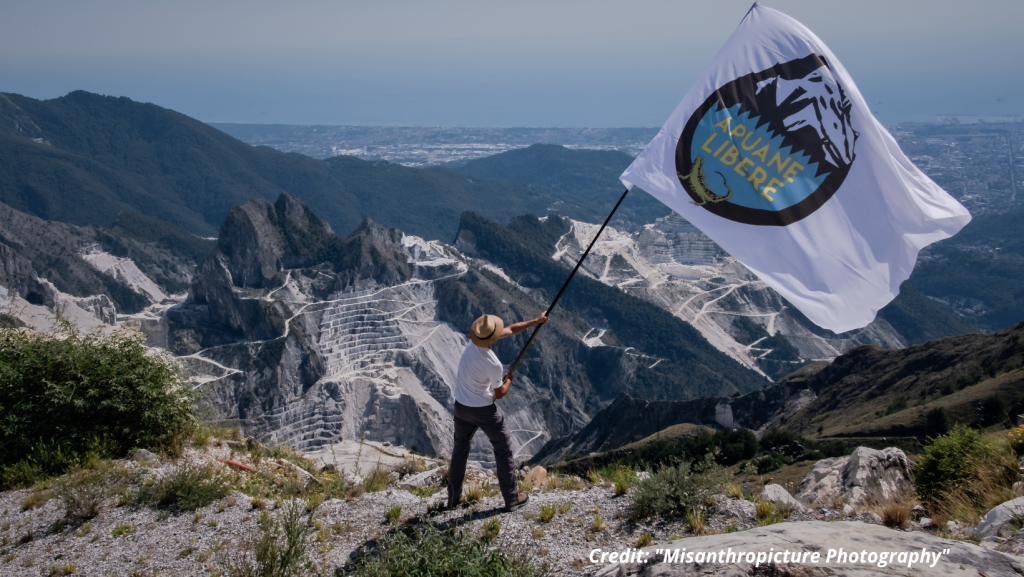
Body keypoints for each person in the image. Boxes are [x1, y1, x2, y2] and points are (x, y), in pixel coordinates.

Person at [447, 311, 548, 512]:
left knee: (460, 448)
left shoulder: (472, 343)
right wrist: (509, 379)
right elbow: (499, 393)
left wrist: (535, 321)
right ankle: (511, 498)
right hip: (482, 409)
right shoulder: (493, 363)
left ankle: (453, 497)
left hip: (460, 407)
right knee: (502, 447)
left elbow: (511, 330)